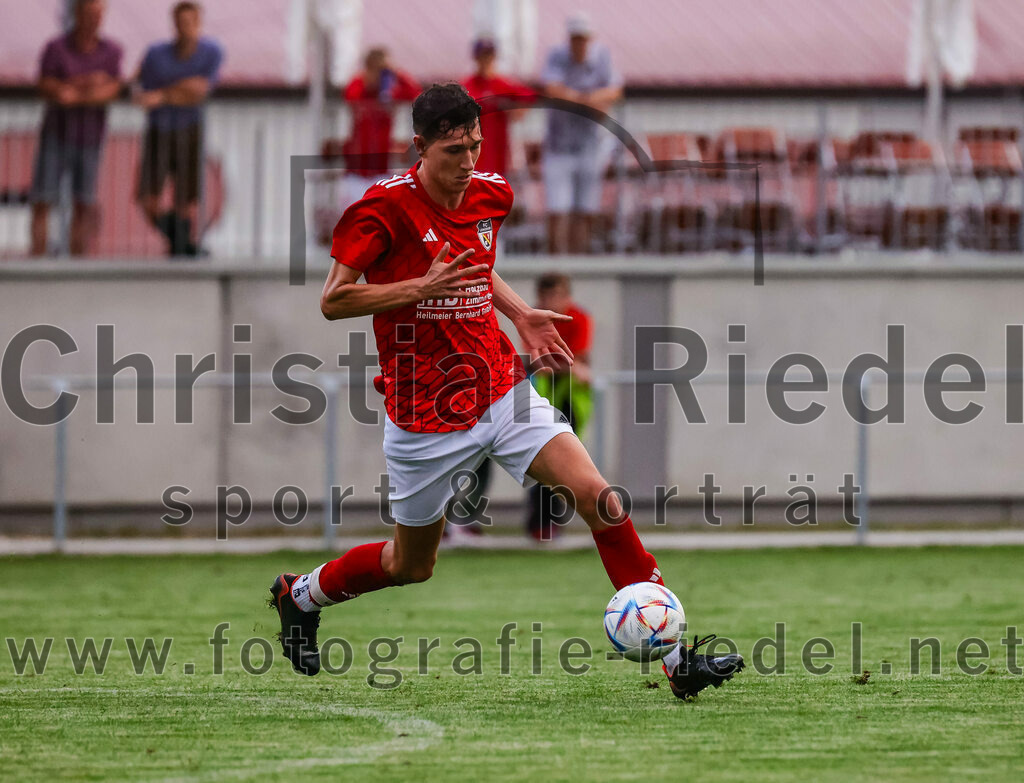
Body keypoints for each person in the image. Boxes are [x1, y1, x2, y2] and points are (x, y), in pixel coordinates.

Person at [269, 83, 743, 700]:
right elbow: (334, 298)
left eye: (474, 145)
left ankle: (678, 663)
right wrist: (416, 287)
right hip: (423, 414)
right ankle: (299, 596)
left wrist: (519, 314)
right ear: (419, 146)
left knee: (600, 499)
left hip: (498, 387)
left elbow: (476, 264)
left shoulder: (491, 193)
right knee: (410, 566)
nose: (467, 162)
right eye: (452, 151)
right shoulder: (379, 209)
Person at [29, 0, 122, 256]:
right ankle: (37, 260)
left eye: (99, 14)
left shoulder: (111, 50)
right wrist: (88, 84)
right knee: (42, 199)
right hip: (56, 134)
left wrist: (74, 91)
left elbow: (112, 89)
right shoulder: (56, 48)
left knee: (84, 202)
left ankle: (79, 262)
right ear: (77, 14)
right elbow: (47, 85)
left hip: (91, 136)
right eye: (89, 13)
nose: (94, 19)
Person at [134, 1, 223, 257]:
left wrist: (162, 96)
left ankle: (182, 246)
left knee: (185, 196)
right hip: (159, 129)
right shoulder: (156, 54)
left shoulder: (211, 51)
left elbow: (199, 90)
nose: (186, 29)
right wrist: (178, 92)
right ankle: (181, 241)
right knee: (148, 198)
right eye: (182, 23)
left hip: (190, 128)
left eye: (191, 23)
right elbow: (139, 87)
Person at [540, 11, 623, 254]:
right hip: (558, 146)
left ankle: (580, 259)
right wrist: (585, 100)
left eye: (583, 38)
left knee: (585, 208)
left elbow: (615, 90)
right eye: (576, 38)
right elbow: (552, 88)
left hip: (590, 146)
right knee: (558, 208)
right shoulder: (556, 56)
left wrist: (583, 99)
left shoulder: (602, 57)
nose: (579, 43)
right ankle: (556, 262)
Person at [526, 273, 594, 540]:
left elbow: (576, 359)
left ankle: (552, 522)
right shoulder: (534, 318)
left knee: (565, 465)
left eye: (557, 296)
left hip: (569, 403)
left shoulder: (580, 318)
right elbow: (541, 361)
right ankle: (539, 523)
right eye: (546, 297)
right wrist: (566, 364)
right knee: (540, 464)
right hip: (540, 400)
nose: (552, 302)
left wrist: (562, 364)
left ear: (567, 296)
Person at [340, 48, 421, 203]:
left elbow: (415, 93)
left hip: (381, 169)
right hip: (356, 171)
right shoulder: (359, 86)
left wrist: (395, 72)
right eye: (376, 69)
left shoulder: (389, 91)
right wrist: (368, 81)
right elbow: (350, 95)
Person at [461, 37, 534, 177]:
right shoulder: (468, 85)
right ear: (476, 58)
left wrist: (519, 110)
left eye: (489, 56)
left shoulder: (502, 84)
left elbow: (528, 94)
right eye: (482, 56)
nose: (486, 61)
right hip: (472, 156)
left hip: (498, 154)